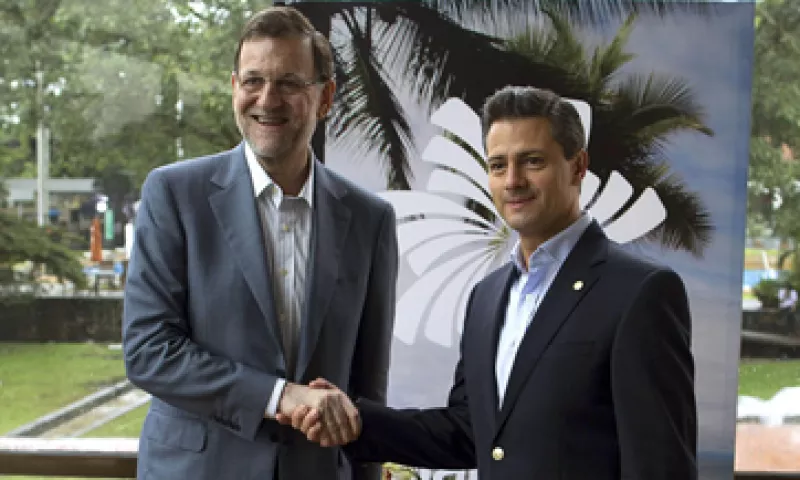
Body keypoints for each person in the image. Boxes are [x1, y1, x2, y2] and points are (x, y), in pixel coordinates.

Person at [282, 86, 698, 479]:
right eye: (498, 165)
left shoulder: (639, 293)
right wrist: (358, 421)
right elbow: (468, 432)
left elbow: (661, 466)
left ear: (578, 167)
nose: (512, 180)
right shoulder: (488, 296)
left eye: (532, 161)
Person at [122, 6, 398, 480]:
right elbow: (149, 350)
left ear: (326, 97)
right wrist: (279, 395)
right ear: (234, 88)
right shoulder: (173, 195)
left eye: (289, 83)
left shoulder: (370, 219)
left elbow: (365, 389)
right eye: (253, 80)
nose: (267, 99)